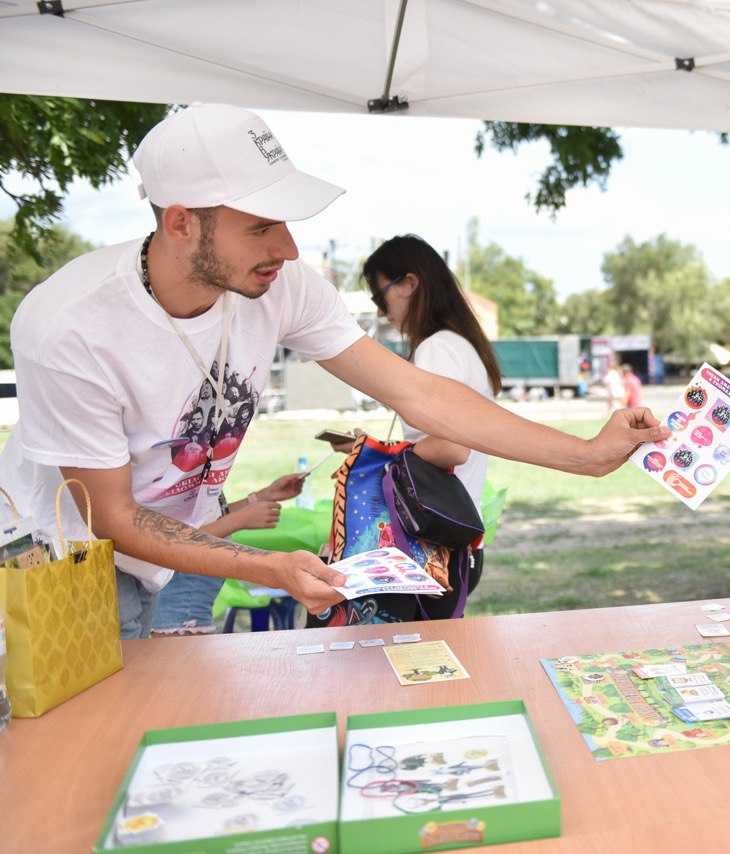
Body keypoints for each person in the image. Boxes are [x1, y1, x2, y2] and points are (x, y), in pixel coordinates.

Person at [0, 104, 667, 639]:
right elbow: (112, 514)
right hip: (60, 569)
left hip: (175, 558)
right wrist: (268, 566)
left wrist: (586, 456)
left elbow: (421, 393)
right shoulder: (69, 324)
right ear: (180, 222)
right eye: (261, 226)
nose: (287, 248)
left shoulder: (284, 287)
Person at [323, 234, 500, 623]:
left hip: (431, 543)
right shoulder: (462, 346)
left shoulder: (437, 348)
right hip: (453, 538)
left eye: (378, 294)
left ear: (408, 284)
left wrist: (378, 454)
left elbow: (453, 447)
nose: (381, 309)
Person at [151, 473, 304, 636]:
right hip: (180, 614)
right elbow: (171, 543)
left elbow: (209, 517)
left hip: (192, 610)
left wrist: (261, 497)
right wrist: (239, 520)